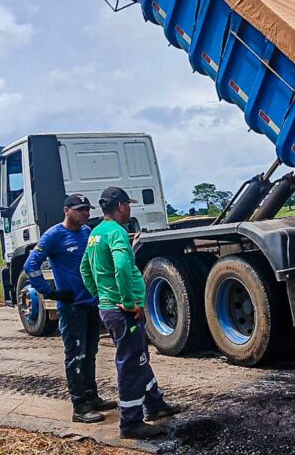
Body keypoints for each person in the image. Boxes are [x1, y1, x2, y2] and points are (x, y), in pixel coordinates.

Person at [81, 186, 182, 439]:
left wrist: (101, 296)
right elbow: (123, 266)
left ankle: (155, 404)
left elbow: (84, 269)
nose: (129, 210)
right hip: (123, 311)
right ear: (121, 206)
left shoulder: (95, 233)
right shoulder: (117, 232)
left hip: (109, 307)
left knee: (139, 357)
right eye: (128, 205)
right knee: (131, 364)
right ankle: (131, 423)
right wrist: (128, 301)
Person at [23, 194, 115, 424]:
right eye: (81, 209)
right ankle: (79, 406)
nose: (86, 213)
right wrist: (49, 291)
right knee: (76, 355)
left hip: (91, 303)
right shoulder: (54, 235)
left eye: (87, 209)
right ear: (66, 210)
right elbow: (30, 265)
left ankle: (91, 396)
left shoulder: (86, 232)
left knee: (90, 353)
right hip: (72, 307)